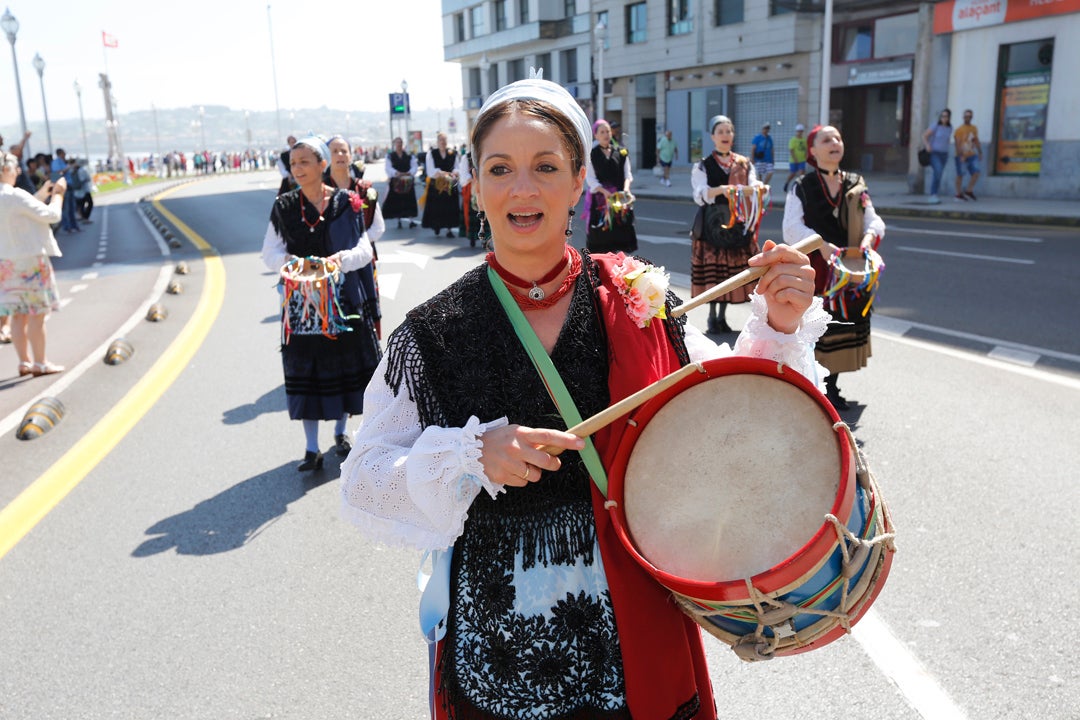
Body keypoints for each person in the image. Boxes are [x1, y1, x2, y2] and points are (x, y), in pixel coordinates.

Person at [339, 75, 827, 720]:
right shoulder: (433, 333)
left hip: (636, 626)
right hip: (501, 653)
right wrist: (468, 454)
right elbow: (365, 482)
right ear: (474, 187)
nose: (523, 188)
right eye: (500, 168)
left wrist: (781, 323)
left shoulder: (636, 297)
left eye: (546, 167)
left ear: (578, 183)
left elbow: (730, 421)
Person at [260, 137, 381, 471]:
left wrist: (337, 261)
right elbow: (268, 253)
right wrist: (291, 264)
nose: (296, 169)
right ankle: (311, 448)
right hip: (302, 304)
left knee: (343, 370)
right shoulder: (284, 206)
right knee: (306, 373)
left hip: (342, 301)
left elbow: (364, 250)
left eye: (304, 162)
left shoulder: (347, 203)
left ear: (322, 165)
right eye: (293, 163)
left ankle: (341, 433)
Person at [782, 124, 885, 411]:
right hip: (818, 270)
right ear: (813, 150)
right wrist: (820, 244)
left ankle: (832, 386)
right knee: (819, 328)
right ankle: (814, 386)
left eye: (838, 137)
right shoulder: (802, 186)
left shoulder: (855, 183)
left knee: (845, 326)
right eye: (827, 139)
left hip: (849, 269)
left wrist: (867, 239)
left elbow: (874, 221)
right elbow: (791, 229)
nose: (835, 142)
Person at [691, 115, 766, 335]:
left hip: (736, 226)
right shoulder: (703, 165)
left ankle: (721, 318)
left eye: (729, 131)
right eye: (721, 131)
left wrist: (758, 188)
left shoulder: (744, 163)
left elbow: (754, 185)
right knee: (715, 274)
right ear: (713, 137)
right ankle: (713, 317)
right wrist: (723, 190)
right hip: (713, 226)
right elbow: (699, 194)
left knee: (729, 274)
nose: (725, 135)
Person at [0, 151, 67, 376]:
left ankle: (24, 362)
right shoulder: (16, 195)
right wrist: (58, 195)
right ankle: (41, 362)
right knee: (37, 314)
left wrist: (40, 194)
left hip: (5, 264)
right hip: (30, 261)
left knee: (18, 314)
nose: (18, 171)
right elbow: (51, 216)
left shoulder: (12, 197)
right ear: (5, 170)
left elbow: (18, 212)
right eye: (15, 168)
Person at [326, 135, 386, 340]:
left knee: (364, 318)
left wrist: (357, 245)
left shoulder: (365, 189)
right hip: (331, 264)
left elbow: (378, 227)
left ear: (351, 156)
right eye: (334, 151)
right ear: (326, 157)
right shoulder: (319, 191)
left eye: (344, 151)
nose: (340, 155)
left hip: (363, 261)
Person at [584, 118, 637, 254]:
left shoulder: (621, 153)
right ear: (596, 135)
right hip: (601, 203)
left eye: (607, 131)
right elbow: (590, 179)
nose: (606, 134)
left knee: (620, 238)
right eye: (602, 132)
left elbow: (627, 174)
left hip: (619, 201)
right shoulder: (592, 155)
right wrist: (604, 191)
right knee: (601, 240)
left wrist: (626, 190)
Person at [421, 132, 461, 238]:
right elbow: (430, 170)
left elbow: (457, 167)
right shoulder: (431, 153)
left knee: (450, 207)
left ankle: (449, 229)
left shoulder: (452, 153)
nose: (443, 142)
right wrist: (442, 173)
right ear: (437, 142)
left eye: (445, 140)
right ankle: (437, 226)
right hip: (437, 184)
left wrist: (455, 172)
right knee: (437, 207)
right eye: (441, 140)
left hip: (450, 183)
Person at [382, 137, 419, 229]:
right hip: (396, 181)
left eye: (400, 143)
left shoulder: (409, 155)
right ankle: (399, 220)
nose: (399, 145)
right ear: (394, 144)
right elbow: (388, 168)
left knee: (409, 200)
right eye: (397, 143)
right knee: (397, 201)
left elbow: (414, 166)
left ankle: (411, 220)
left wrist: (410, 173)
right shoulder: (390, 156)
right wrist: (396, 173)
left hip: (407, 181)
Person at [921, 109, 952, 204]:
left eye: (946, 116)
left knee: (939, 175)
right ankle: (932, 194)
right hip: (934, 153)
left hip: (944, 154)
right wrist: (927, 145)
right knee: (937, 171)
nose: (944, 118)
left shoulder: (950, 128)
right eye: (942, 116)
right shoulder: (935, 126)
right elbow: (924, 136)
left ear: (949, 117)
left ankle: (935, 194)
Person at [953, 109, 982, 201]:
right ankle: (958, 194)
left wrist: (980, 152)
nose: (967, 118)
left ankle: (969, 191)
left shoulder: (974, 128)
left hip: (972, 155)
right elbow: (957, 143)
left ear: (971, 117)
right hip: (961, 155)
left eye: (969, 116)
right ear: (963, 117)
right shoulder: (959, 130)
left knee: (976, 172)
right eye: (966, 116)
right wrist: (960, 155)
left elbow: (976, 140)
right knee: (960, 174)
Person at [784, 123, 807, 193]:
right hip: (794, 161)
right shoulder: (793, 140)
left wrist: (806, 156)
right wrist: (795, 159)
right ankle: (787, 183)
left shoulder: (804, 140)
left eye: (801, 131)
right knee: (793, 173)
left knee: (801, 174)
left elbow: (806, 149)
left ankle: (800, 187)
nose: (799, 133)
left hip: (802, 160)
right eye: (798, 131)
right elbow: (791, 150)